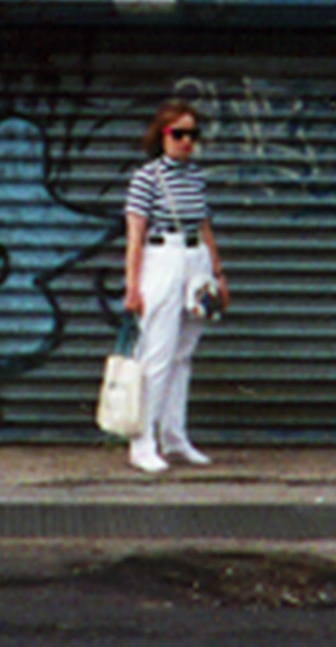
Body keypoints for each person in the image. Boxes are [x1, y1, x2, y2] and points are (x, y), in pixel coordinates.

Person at [121, 99, 229, 475]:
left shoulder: (196, 177)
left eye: (192, 134)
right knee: (158, 353)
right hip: (161, 259)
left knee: (183, 354)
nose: (186, 141)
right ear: (161, 135)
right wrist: (132, 285)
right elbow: (134, 235)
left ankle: (174, 436)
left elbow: (204, 226)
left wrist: (217, 274)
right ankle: (142, 441)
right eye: (178, 133)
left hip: (194, 259)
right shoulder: (146, 177)